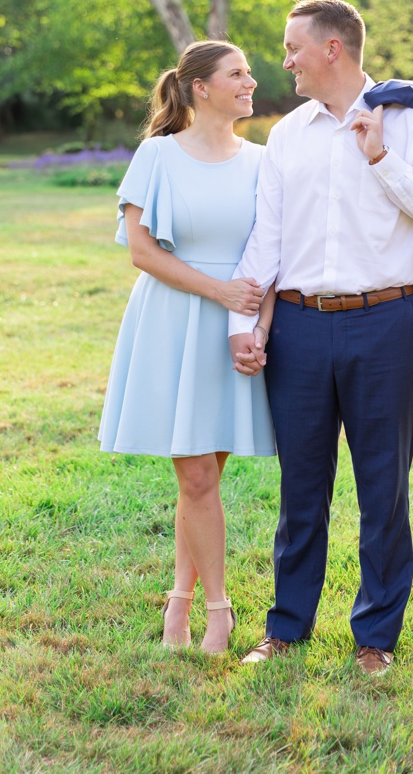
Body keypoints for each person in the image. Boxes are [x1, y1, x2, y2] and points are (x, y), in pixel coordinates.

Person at [228, 0, 413, 676]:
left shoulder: (412, 119)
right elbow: (266, 238)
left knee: (383, 488)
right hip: (300, 329)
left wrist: (381, 157)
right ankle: (286, 627)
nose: (284, 62)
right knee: (301, 488)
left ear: (332, 49)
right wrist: (242, 325)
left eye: (292, 47)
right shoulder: (288, 135)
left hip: (385, 323)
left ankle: (375, 638)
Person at [99, 40, 275, 655]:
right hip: (175, 321)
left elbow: (272, 255)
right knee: (196, 474)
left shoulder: (262, 160)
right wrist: (219, 292)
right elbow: (142, 251)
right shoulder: (156, 156)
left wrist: (256, 328)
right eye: (238, 74)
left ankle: (178, 598)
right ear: (201, 87)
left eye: (249, 73)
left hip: (236, 332)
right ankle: (218, 612)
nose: (251, 82)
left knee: (203, 477)